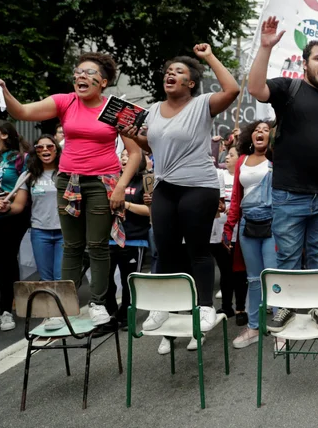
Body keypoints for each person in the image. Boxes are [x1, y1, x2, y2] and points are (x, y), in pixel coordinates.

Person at [0, 54, 143, 327]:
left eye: (88, 73)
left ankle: (98, 304)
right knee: (72, 245)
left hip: (103, 182)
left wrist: (121, 187)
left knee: (98, 245)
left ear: (103, 81)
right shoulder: (65, 101)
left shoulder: (116, 108)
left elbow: (134, 153)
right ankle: (62, 307)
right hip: (68, 181)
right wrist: (5, 92)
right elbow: (23, 112)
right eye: (77, 72)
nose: (80, 77)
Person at [122, 43, 240, 336]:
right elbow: (154, 147)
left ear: (191, 83)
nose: (170, 75)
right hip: (165, 186)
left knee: (198, 249)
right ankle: (163, 306)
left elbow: (233, 90)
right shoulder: (151, 111)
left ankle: (204, 307)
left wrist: (209, 57)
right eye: (168, 72)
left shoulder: (201, 105)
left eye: (179, 72)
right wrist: (134, 138)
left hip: (199, 187)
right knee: (166, 250)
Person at [248, 17, 318, 333]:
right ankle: (284, 309)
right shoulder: (288, 88)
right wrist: (265, 47)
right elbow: (255, 88)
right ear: (305, 64)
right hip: (289, 195)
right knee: (289, 257)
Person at [224, 120, 276, 349]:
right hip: (247, 226)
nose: (260, 132)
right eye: (257, 129)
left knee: (274, 278)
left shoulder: (277, 161)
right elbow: (236, 197)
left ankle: (279, 330)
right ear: (250, 136)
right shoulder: (242, 161)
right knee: (254, 280)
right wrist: (229, 227)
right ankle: (254, 327)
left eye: (266, 130)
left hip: (273, 225)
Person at [104, 150, 150, 331]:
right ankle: (110, 315)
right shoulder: (110, 179)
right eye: (122, 156)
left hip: (134, 239)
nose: (124, 159)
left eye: (128, 156)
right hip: (109, 239)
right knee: (105, 281)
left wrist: (127, 204)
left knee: (128, 282)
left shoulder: (145, 182)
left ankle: (126, 315)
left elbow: (150, 211)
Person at [0, 120, 30, 331]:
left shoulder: (19, 159)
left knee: (5, 263)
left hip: (10, 219)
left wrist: (7, 207)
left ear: (4, 135)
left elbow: (21, 199)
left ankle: (6, 311)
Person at [23, 135, 63, 283]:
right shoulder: (28, 176)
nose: (45, 149)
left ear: (56, 150)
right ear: (36, 152)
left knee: (61, 278)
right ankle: (49, 307)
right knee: (46, 279)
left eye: (50, 146)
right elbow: (20, 204)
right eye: (40, 147)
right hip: (39, 232)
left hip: (64, 232)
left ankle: (63, 307)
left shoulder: (66, 174)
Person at [214, 145, 246, 325]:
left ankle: (241, 306)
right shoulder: (220, 176)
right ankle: (227, 306)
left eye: (231, 155)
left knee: (239, 272)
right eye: (226, 155)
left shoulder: (243, 177)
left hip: (240, 233)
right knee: (225, 271)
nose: (227, 158)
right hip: (220, 232)